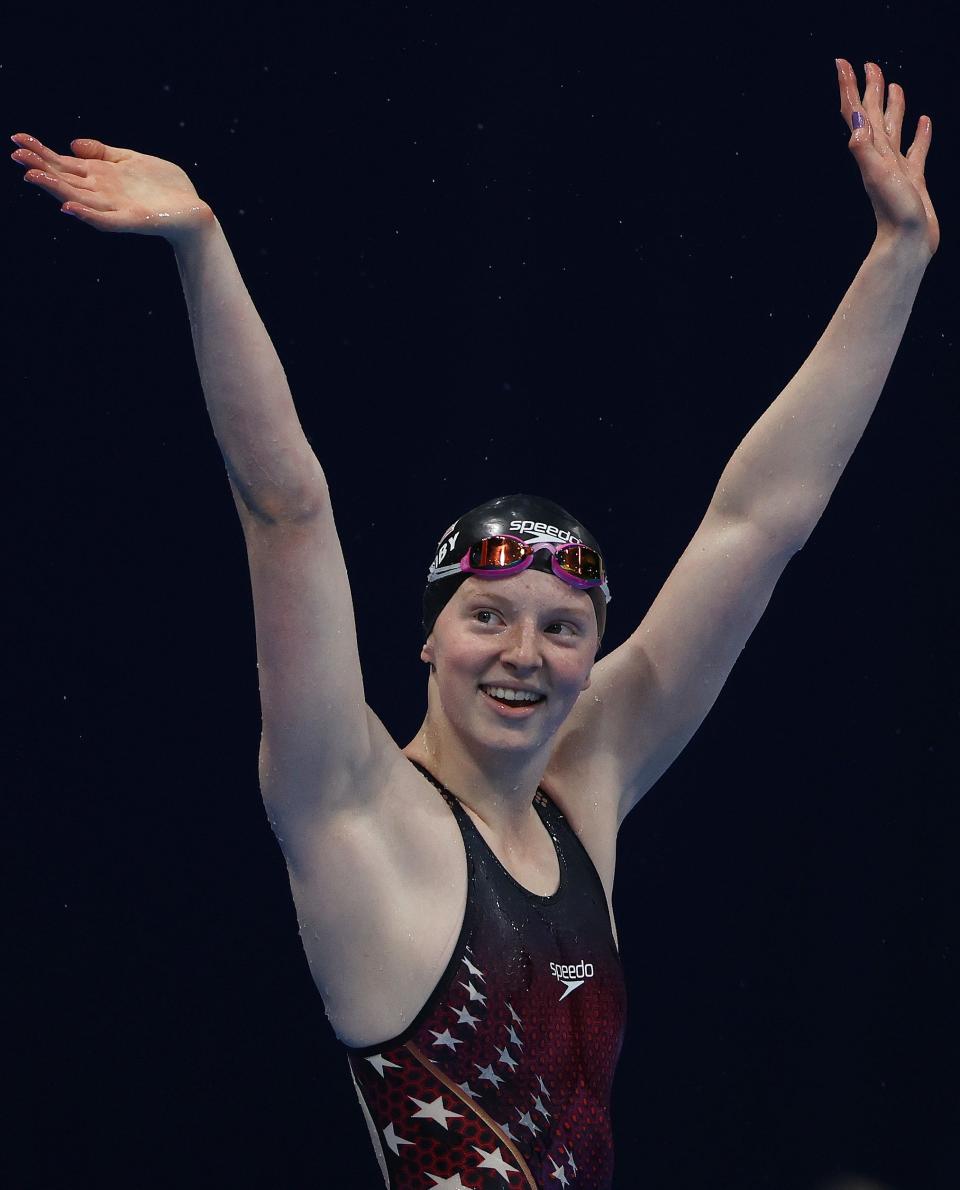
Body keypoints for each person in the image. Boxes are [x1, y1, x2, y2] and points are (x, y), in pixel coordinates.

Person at [11, 57, 937, 1189]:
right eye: (488, 614)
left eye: (562, 627)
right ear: (428, 640)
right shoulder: (350, 805)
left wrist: (899, 260)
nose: (523, 653)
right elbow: (286, 506)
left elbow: (758, 521)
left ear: (595, 656)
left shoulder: (582, 789)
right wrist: (203, 246)